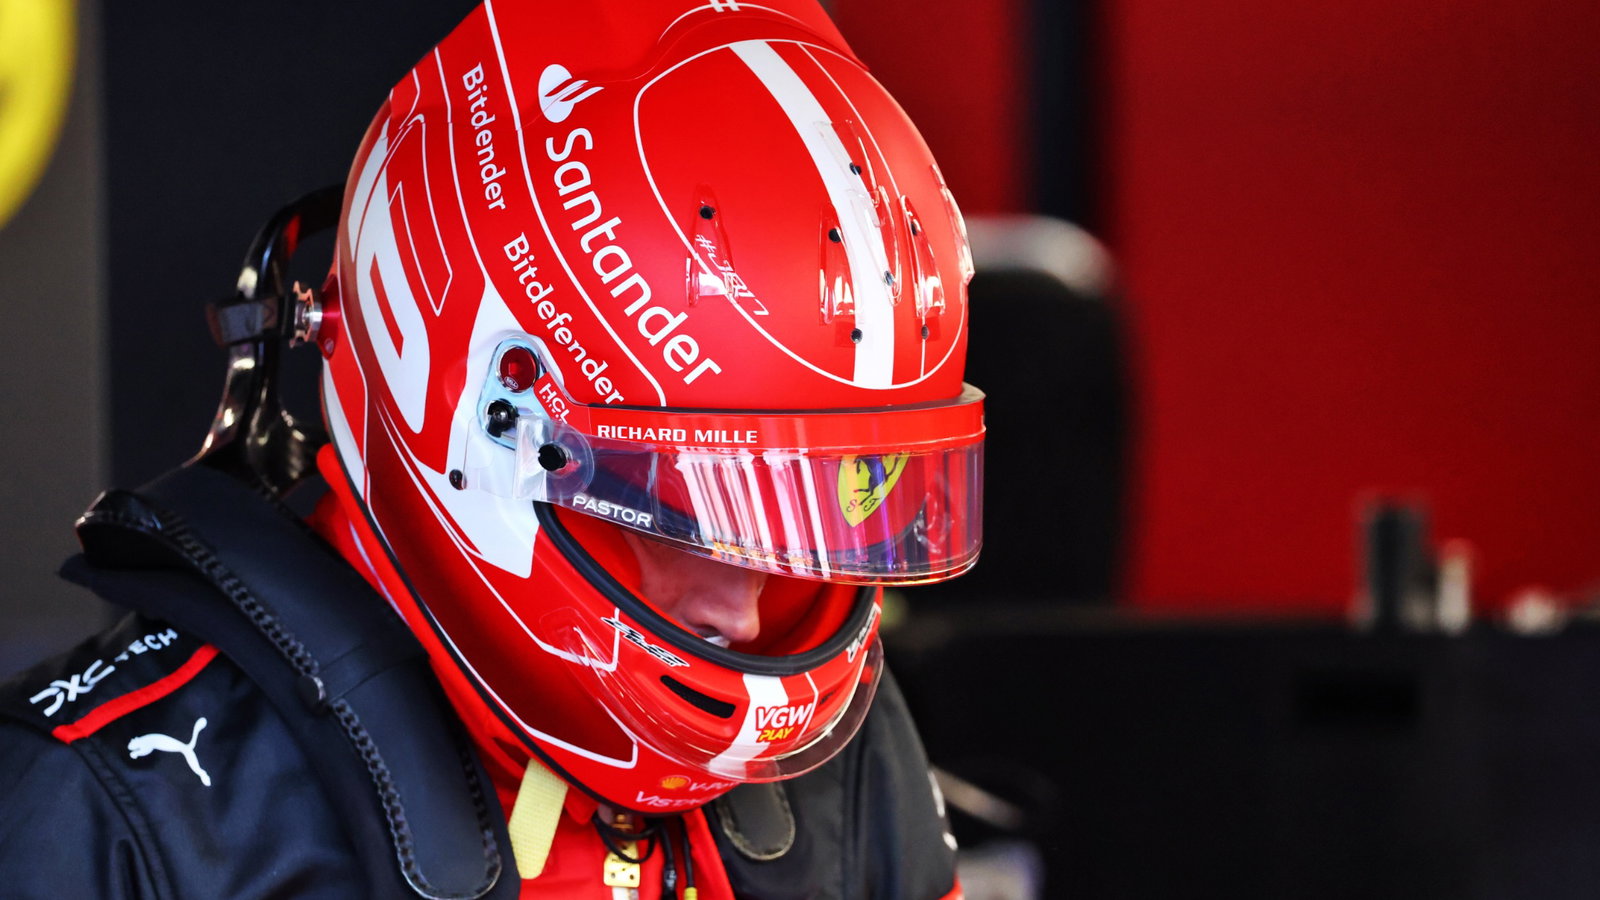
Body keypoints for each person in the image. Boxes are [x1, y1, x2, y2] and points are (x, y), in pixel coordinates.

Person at [0, 1, 985, 897]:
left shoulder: (832, 748)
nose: (749, 602)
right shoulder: (107, 817)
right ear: (473, 420)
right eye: (699, 516)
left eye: (813, 511)